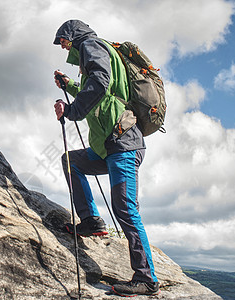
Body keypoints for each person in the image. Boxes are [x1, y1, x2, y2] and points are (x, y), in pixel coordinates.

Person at [53, 20, 159, 297]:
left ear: (73, 36)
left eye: (62, 40)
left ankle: (147, 280)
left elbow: (101, 82)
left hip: (123, 145)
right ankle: (90, 222)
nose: (62, 46)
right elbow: (102, 92)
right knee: (71, 161)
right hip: (108, 148)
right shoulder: (94, 52)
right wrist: (70, 86)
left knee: (124, 208)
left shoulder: (91, 45)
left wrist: (72, 111)